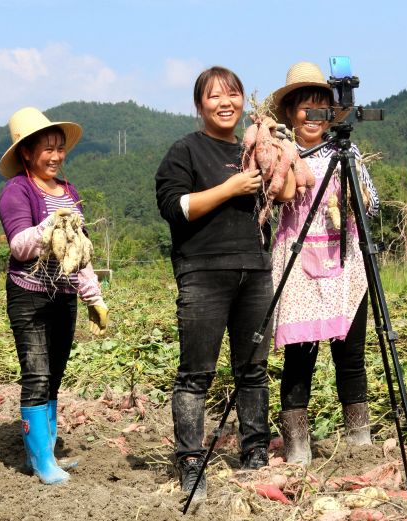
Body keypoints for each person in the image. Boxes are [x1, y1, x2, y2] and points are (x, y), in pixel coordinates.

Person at [155, 66, 288, 499]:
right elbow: (175, 207)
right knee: (196, 373)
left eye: (232, 94)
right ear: (200, 106)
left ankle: (254, 452)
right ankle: (191, 460)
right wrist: (230, 188)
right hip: (203, 272)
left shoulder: (253, 148)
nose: (225, 103)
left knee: (253, 370)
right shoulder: (186, 151)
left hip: (255, 270)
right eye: (214, 96)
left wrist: (278, 148)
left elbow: (285, 194)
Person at [267, 62, 380, 466]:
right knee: (300, 357)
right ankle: (298, 445)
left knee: (350, 356)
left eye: (322, 108)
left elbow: (373, 203)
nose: (314, 116)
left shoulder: (344, 153)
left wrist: (356, 199)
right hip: (298, 263)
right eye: (305, 108)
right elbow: (272, 200)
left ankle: (359, 440)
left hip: (344, 260)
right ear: (290, 113)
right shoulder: (280, 153)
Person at [0, 107, 109, 485]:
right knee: (37, 374)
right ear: (27, 152)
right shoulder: (18, 190)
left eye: (60, 148)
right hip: (28, 297)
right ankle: (42, 461)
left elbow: (80, 254)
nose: (56, 155)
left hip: (64, 297)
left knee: (54, 376)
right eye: (47, 148)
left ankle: (47, 452)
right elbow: (19, 246)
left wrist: (94, 298)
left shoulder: (69, 192)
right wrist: (50, 225)